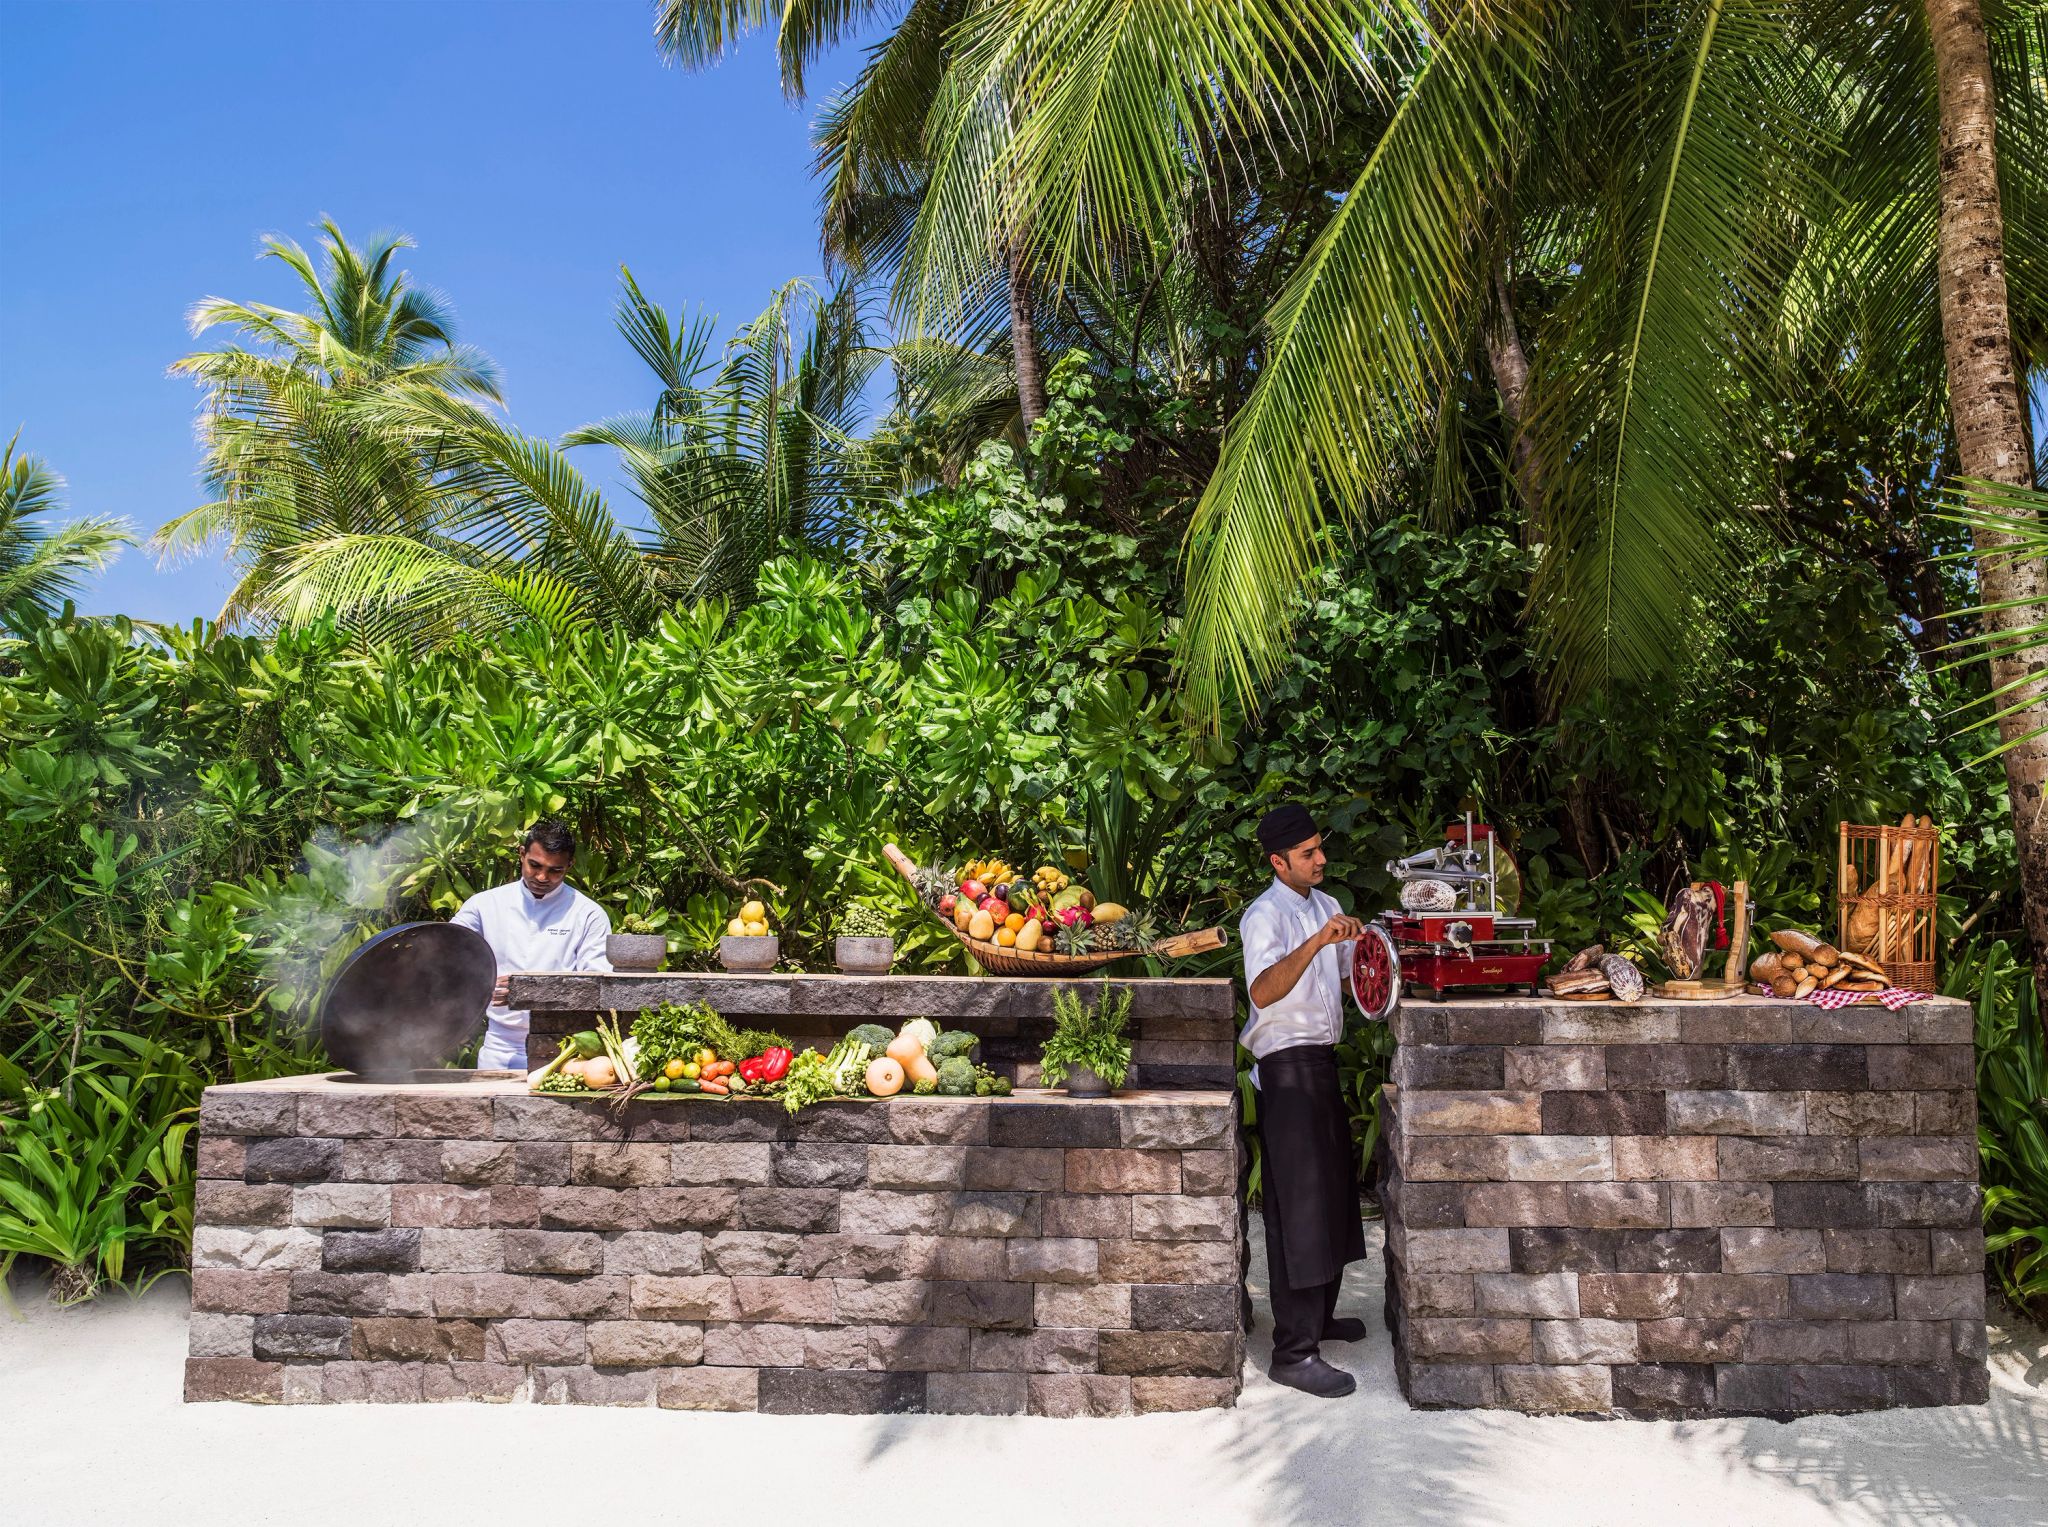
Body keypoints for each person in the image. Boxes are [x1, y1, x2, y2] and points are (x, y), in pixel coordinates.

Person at [1239, 802, 1370, 1398]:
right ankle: (1293, 1351)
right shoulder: (1263, 916)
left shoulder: (1330, 906)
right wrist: (1318, 940)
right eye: (1308, 854)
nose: (1321, 859)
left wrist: (1371, 953)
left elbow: (1342, 979)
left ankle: (1318, 1320)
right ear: (1278, 861)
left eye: (1321, 848)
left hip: (1322, 1062)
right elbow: (1265, 991)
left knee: (1335, 1198)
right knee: (1299, 1206)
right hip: (1284, 1068)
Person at [451, 819, 612, 1071]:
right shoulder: (484, 905)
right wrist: (483, 983)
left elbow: (597, 986)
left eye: (555, 870)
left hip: (562, 1049)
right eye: (534, 865)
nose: (541, 877)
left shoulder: (588, 914)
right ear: (522, 854)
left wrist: (529, 992)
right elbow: (448, 956)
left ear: (569, 866)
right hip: (499, 1047)